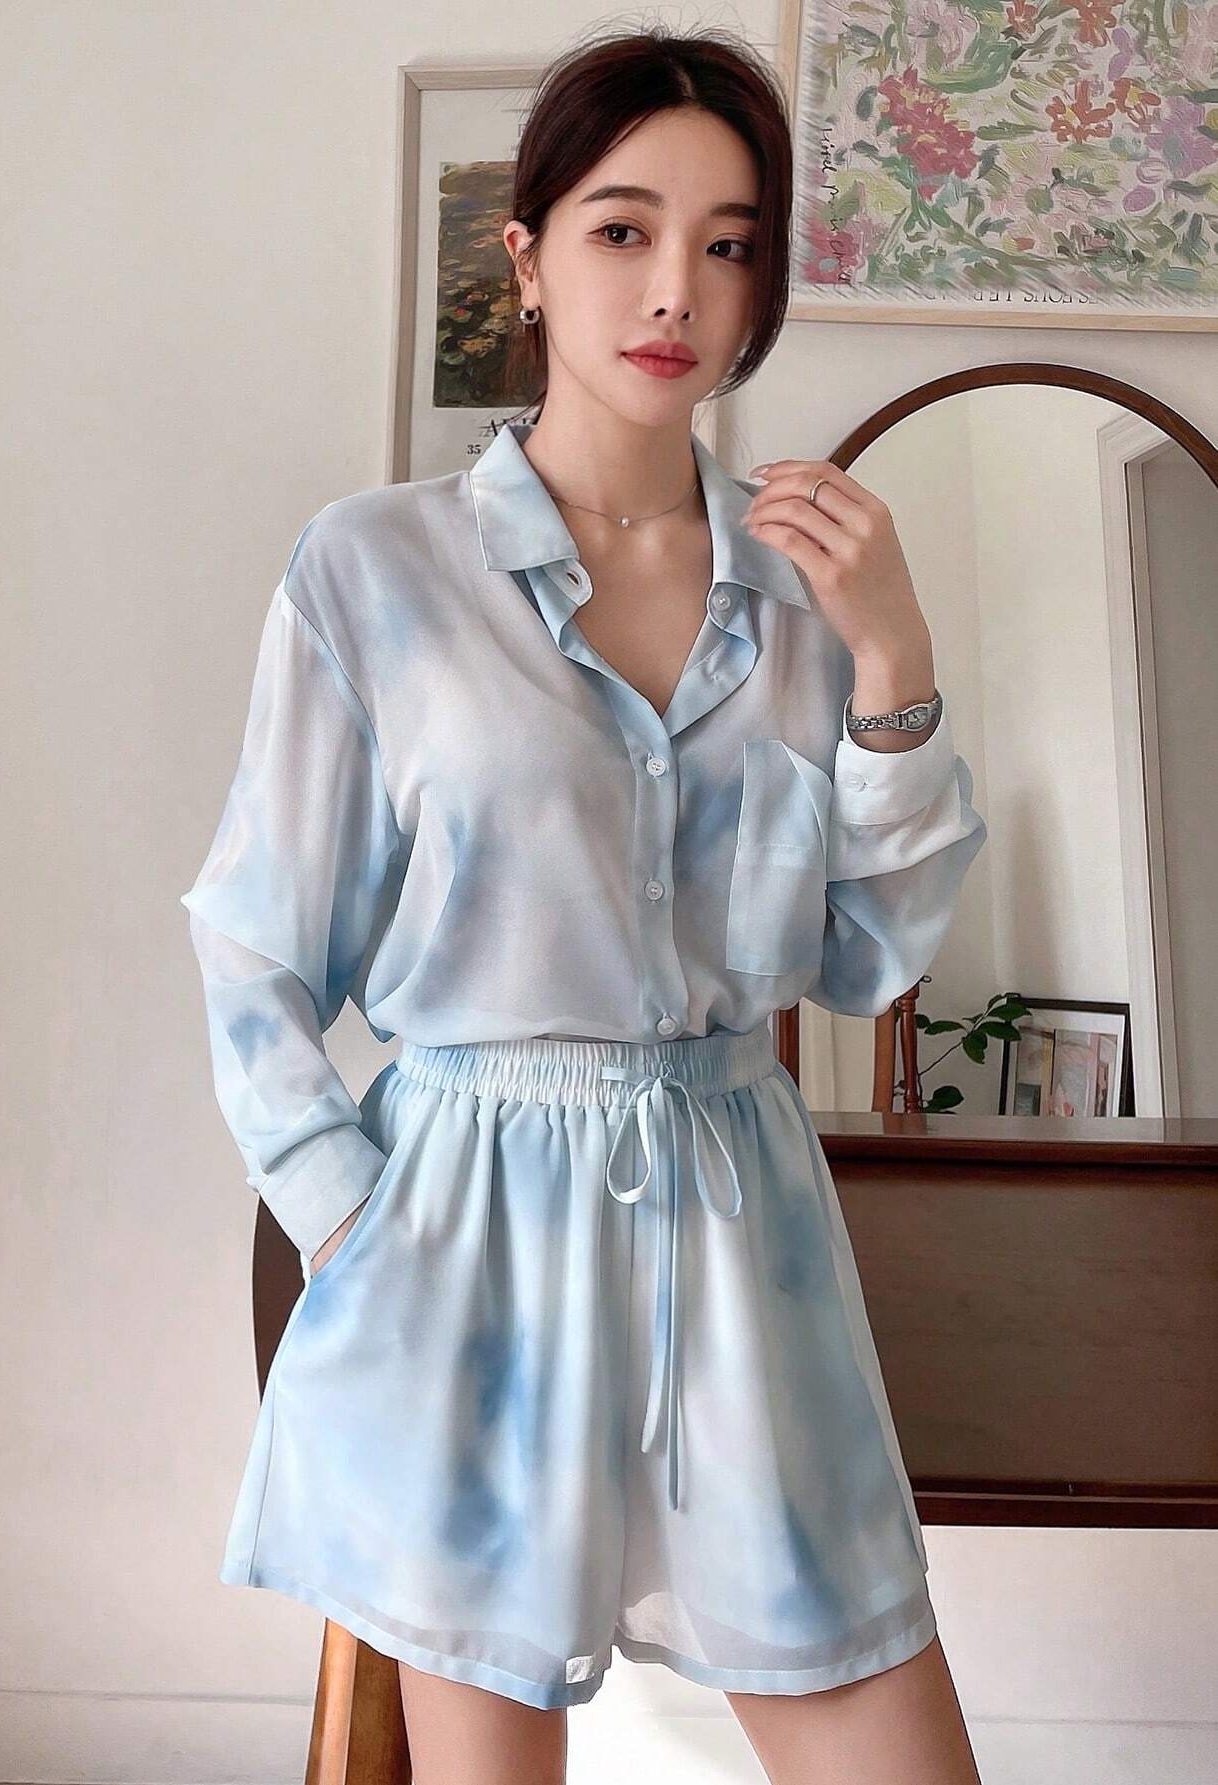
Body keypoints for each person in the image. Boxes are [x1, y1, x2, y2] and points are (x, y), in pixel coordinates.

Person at [179, 23, 987, 1785]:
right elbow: (252, 937)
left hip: (741, 1234)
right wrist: (351, 1221)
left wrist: (896, 662)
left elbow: (863, 957)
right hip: (461, 1244)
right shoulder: (375, 570)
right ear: (528, 255)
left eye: (729, 241)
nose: (676, 287)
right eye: (624, 229)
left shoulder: (807, 587)